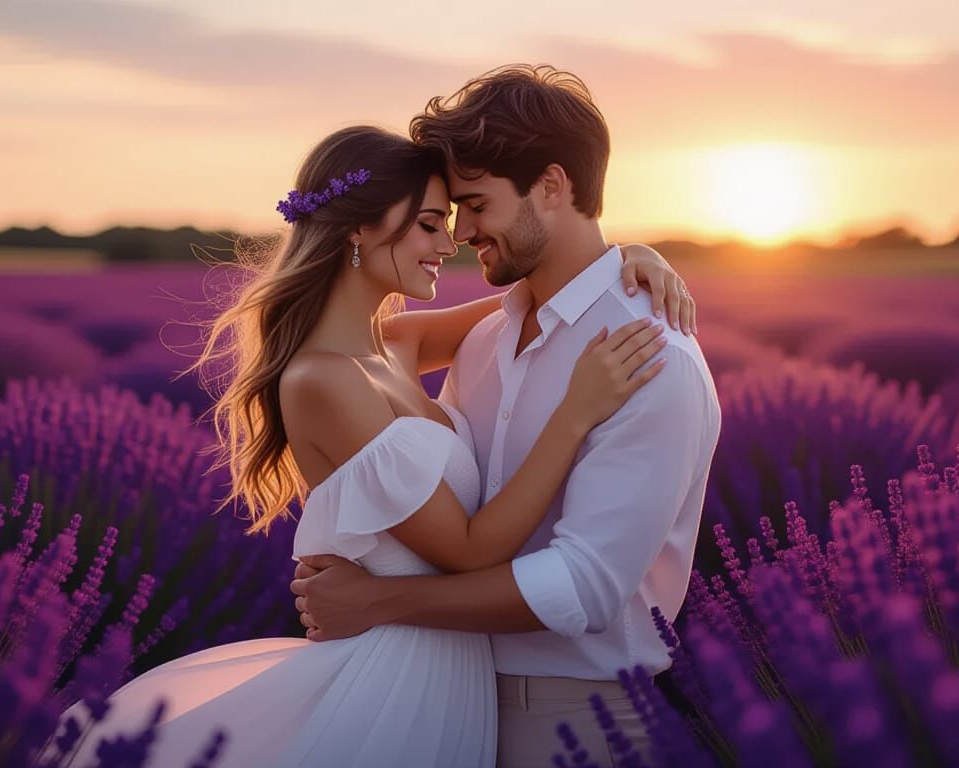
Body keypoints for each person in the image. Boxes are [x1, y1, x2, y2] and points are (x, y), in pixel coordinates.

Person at [44, 122, 697, 767]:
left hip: (452, 674)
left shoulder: (396, 346)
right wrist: (575, 413)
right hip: (398, 681)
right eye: (430, 223)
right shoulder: (324, 381)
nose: (450, 242)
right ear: (359, 229)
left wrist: (629, 260)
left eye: (451, 220)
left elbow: (555, 298)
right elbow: (472, 550)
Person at [290, 64, 722, 767]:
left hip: (573, 718)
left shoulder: (652, 361)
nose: (460, 233)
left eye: (474, 205)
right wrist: (620, 259)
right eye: (442, 216)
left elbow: (584, 586)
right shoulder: (488, 336)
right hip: (442, 697)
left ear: (551, 187)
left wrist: (378, 601)